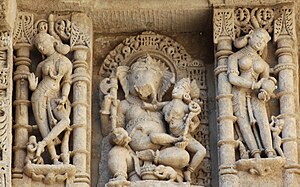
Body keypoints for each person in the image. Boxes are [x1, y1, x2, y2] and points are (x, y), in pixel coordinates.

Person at [227, 28, 275, 158]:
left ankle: (270, 151)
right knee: (243, 122)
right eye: (259, 37)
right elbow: (232, 78)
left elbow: (266, 82)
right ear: (250, 35)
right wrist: (253, 85)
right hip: (239, 92)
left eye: (264, 41)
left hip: (256, 95)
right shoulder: (235, 57)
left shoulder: (264, 65)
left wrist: (266, 92)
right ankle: (255, 153)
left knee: (263, 120)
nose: (261, 41)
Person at [28, 30, 72, 164]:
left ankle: (42, 143)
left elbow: (67, 82)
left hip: (55, 97)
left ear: (52, 41)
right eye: (38, 46)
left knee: (65, 121)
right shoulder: (41, 65)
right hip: (39, 96)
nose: (41, 47)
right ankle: (54, 159)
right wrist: (32, 87)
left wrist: (64, 97)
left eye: (42, 43)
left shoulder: (66, 62)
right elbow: (37, 79)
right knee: (44, 127)